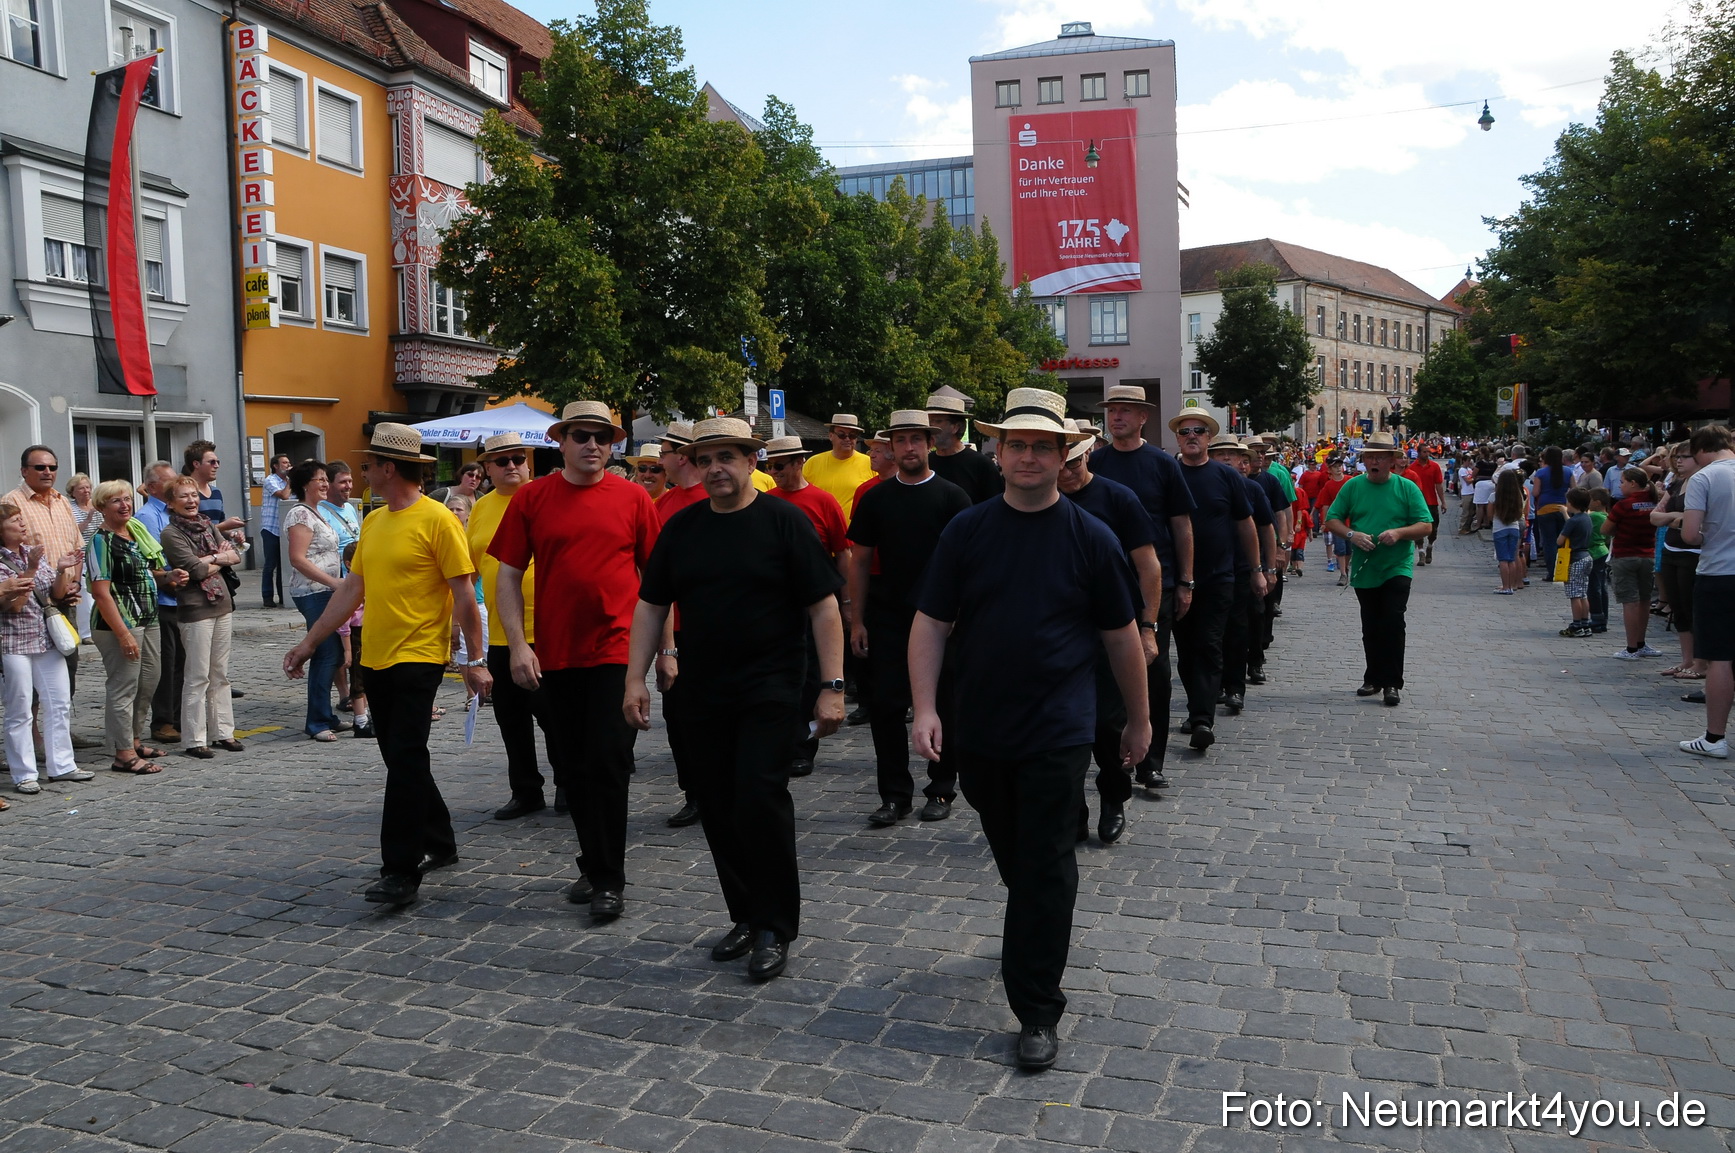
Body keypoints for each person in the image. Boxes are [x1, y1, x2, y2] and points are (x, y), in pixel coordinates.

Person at [907, 387, 1150, 1071]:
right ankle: (1031, 927)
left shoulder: (1090, 536)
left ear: (1063, 452)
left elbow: (1120, 634)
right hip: (979, 726)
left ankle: (1037, 1007)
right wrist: (925, 707)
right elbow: (929, 622)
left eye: (1042, 445)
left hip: (1059, 726)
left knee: (1044, 865)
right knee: (1015, 853)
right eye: (1017, 444)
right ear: (998, 450)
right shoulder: (967, 530)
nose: (1028, 455)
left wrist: (1138, 718)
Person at [626, 416, 846, 982]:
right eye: (707, 458)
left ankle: (775, 924)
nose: (717, 467)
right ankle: (745, 913)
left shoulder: (784, 523)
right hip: (703, 685)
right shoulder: (683, 527)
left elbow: (824, 607)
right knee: (718, 802)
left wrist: (832, 687)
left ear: (752, 462)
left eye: (729, 456)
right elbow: (651, 606)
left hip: (772, 684)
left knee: (758, 795)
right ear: (695, 467)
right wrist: (635, 679)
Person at [284, 423, 489, 907]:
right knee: (401, 758)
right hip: (375, 657)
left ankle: (400, 870)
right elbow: (353, 589)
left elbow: (463, 593)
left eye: (369, 464)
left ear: (389, 468)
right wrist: (310, 642)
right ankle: (440, 840)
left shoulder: (438, 520)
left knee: (405, 758)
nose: (362, 471)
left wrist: (474, 662)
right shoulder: (373, 521)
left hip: (419, 657)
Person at [491, 401, 659, 923]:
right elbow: (506, 576)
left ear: (613, 445)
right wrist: (519, 644)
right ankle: (593, 861)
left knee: (609, 762)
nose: (593, 446)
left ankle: (609, 878)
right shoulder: (533, 498)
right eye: (582, 436)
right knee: (575, 767)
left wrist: (667, 653)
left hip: (618, 652)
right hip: (555, 656)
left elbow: (658, 584)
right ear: (560, 441)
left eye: (602, 438)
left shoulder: (633, 498)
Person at [845, 412, 971, 825]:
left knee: (945, 705)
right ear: (891, 447)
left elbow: (968, 564)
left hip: (942, 616)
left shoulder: (953, 496)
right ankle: (894, 794)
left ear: (929, 443)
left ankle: (941, 788)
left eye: (917, 439)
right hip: (888, 615)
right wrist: (857, 619)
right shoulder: (876, 499)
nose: (909, 448)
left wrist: (960, 612)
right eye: (901, 441)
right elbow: (859, 561)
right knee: (885, 706)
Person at [1055, 421, 1159, 844]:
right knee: (1063, 732)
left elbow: (1148, 565)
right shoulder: (1037, 503)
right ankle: (1072, 810)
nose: (1066, 473)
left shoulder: (1118, 499)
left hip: (1111, 632)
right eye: (1060, 465)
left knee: (1107, 728)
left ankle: (1113, 797)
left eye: (1074, 463)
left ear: (1088, 455)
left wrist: (1148, 627)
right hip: (1059, 636)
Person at [1088, 385, 1195, 790]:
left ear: (1142, 417)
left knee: (1153, 670)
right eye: (1112, 411)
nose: (1117, 418)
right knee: (1106, 674)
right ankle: (1114, 755)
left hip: (1154, 581)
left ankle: (1151, 759)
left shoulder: (1163, 464)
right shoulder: (1094, 463)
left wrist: (1185, 580)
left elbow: (1181, 524)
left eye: (1126, 411)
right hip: (1102, 584)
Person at [468, 433, 560, 820]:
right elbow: (471, 568)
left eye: (518, 459)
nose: (511, 466)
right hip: (502, 633)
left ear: (529, 463)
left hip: (547, 629)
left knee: (555, 717)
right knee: (511, 718)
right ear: (486, 468)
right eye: (501, 461)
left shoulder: (547, 498)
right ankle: (525, 790)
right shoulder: (481, 508)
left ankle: (569, 786)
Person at [1167, 407, 1260, 752]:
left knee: (1208, 644)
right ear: (1177, 438)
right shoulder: (1170, 473)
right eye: (1185, 431)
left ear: (1208, 437)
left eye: (1199, 431)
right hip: (1176, 579)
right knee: (1187, 649)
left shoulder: (1227, 476)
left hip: (1220, 576)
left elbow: (1245, 524)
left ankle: (1203, 719)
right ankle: (1196, 708)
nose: (1192, 436)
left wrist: (1257, 569)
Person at [763, 435, 850, 779]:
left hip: (813, 597)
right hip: (775, 599)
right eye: (770, 465)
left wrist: (847, 602)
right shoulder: (765, 501)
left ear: (799, 463)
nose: (774, 471)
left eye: (780, 465)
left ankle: (803, 745)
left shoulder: (823, 501)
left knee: (810, 673)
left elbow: (842, 553)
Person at [1323, 433, 1433, 706]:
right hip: (1365, 566)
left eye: (1379, 457)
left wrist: (1398, 532)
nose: (1373, 461)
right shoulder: (1353, 486)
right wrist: (1352, 535)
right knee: (1371, 624)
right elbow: (1332, 519)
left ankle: (1392, 683)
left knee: (1393, 621)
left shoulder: (1407, 488)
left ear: (1392, 461)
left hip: (1397, 564)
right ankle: (1373, 677)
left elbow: (1425, 525)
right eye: (1369, 457)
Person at [88, 479, 187, 774]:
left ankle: (133, 739)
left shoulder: (135, 532)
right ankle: (123, 753)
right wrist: (123, 634)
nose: (125, 505)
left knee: (149, 682)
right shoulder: (101, 541)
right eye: (116, 501)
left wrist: (168, 577)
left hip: (148, 616)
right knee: (124, 687)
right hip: (119, 622)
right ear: (102, 507)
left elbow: (146, 572)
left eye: (127, 499)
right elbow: (101, 592)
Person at [0, 500, 90, 794]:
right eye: (15, 521)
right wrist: (31, 569)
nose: (22, 524)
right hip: (14, 641)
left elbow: (55, 594)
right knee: (20, 708)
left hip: (46, 639)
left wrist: (63, 571)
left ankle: (62, 765)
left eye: (21, 519)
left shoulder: (29, 552)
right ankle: (24, 773)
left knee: (59, 702)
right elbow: (13, 607)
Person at [8, 446, 92, 741]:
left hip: (64, 598)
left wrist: (75, 582)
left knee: (67, 666)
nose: (48, 473)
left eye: (52, 467)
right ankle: (32, 736)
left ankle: (60, 730)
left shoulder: (62, 502)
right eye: (40, 467)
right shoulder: (12, 502)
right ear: (24, 471)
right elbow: (9, 557)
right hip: (30, 604)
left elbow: (77, 547)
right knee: (29, 677)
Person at [158, 475, 243, 758]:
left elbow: (235, 556)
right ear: (170, 502)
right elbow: (194, 571)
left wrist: (211, 560)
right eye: (183, 496)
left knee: (220, 674)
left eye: (194, 495)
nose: (191, 500)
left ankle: (223, 733)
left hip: (221, 604)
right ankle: (195, 739)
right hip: (195, 609)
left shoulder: (207, 524)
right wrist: (215, 559)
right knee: (197, 676)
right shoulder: (171, 534)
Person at [650, 421, 705, 828]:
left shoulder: (713, 496)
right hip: (675, 628)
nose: (659, 461)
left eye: (663, 453)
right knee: (679, 715)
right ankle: (695, 792)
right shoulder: (661, 506)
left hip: (714, 624)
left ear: (680, 457)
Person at [1679, 425, 1735, 758]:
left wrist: (1706, 535)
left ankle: (1715, 737)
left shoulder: (1705, 478)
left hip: (1719, 572)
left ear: (1701, 450)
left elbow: (1690, 535)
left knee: (1720, 658)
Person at [1210, 437, 1276, 715]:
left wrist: (1268, 568)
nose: (1227, 459)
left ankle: (1235, 687)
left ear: (1242, 461)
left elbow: (1266, 528)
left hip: (1242, 568)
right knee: (1212, 635)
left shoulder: (1251, 488)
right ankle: (1215, 686)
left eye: (1232, 454)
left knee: (1239, 629)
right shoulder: (1198, 483)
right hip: (1208, 571)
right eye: (1220, 453)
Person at [284, 460, 347, 741]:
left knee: (331, 654)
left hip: (327, 591)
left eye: (325, 479)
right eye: (319, 479)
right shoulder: (300, 514)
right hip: (312, 591)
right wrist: (333, 581)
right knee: (327, 653)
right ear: (305, 484)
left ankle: (326, 716)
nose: (324, 484)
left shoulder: (318, 513)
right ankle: (317, 721)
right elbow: (297, 558)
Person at [320, 461, 372, 739]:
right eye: (343, 482)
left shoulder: (351, 508)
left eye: (350, 481)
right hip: (339, 579)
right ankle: (345, 694)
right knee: (343, 644)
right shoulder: (321, 511)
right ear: (328, 484)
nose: (349, 486)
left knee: (356, 642)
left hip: (357, 576)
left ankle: (356, 694)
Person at [133, 463, 184, 744]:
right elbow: (154, 560)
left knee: (182, 663)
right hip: (164, 598)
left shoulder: (174, 511)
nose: (174, 486)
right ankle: (163, 721)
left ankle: (177, 717)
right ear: (152, 487)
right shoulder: (148, 516)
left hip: (184, 597)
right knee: (166, 663)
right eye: (168, 482)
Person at [1653, 444, 1705, 677]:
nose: (1680, 461)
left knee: (1692, 606)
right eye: (1677, 457)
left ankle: (1700, 662)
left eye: (1686, 457)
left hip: (1693, 553)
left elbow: (1696, 520)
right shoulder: (1675, 484)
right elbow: (1655, 515)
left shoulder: (1703, 482)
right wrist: (1674, 517)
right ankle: (1687, 659)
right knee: (1678, 607)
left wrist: (1676, 519)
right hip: (1671, 549)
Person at [1602, 467, 1663, 660]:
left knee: (1629, 601)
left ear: (1633, 483)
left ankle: (1630, 648)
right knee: (1645, 600)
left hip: (1625, 555)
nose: (1620, 485)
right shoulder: (1654, 503)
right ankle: (1641, 643)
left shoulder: (1624, 505)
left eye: (1622, 482)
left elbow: (1606, 529)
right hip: (1648, 555)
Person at [926, 392, 1003, 504]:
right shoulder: (926, 463)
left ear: (955, 427)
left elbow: (995, 508)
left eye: (937, 421)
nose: (930, 426)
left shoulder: (982, 465)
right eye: (928, 421)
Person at [801, 415, 874, 521]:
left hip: (855, 533)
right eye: (841, 435)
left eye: (852, 435)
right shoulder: (813, 462)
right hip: (822, 532)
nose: (847, 439)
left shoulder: (870, 463)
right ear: (831, 436)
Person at [1555, 488, 1596, 637]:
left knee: (1574, 594)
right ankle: (1586, 623)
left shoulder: (1573, 521)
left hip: (1575, 558)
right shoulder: (1586, 517)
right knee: (1583, 593)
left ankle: (1576, 625)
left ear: (1572, 503)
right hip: (1586, 556)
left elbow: (1560, 540)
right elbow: (1573, 524)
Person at [183, 441, 246, 536]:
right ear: (196, 464)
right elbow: (188, 531)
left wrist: (233, 534)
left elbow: (220, 525)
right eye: (212, 462)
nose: (217, 466)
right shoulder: (185, 494)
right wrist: (223, 526)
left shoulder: (216, 492)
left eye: (218, 462)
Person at [1529, 446, 1572, 580]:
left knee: (1549, 542)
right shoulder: (1568, 471)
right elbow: (1574, 489)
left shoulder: (1541, 473)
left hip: (1545, 509)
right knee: (1562, 540)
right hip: (1563, 508)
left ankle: (1552, 572)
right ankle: (1564, 569)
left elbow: (1535, 492)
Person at [260, 454, 291, 607]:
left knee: (282, 564)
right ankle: (267, 596)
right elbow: (284, 496)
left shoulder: (288, 482)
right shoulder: (270, 480)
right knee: (270, 564)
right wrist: (290, 481)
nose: (288, 465)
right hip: (270, 527)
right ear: (275, 466)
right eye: (284, 463)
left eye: (288, 463)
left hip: (284, 528)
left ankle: (283, 596)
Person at [1404, 449, 1446, 565]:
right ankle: (1421, 552)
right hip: (1417, 503)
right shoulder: (1412, 468)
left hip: (1431, 501)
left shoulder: (1434, 466)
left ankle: (1430, 546)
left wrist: (1443, 501)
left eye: (1428, 452)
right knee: (1418, 527)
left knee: (1433, 528)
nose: (1427, 454)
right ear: (1419, 453)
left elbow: (1438, 485)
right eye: (1424, 452)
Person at [1490, 471, 1528, 594]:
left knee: (1503, 559)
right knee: (1512, 558)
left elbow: (1490, 515)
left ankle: (1505, 586)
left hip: (1499, 528)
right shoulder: (1519, 496)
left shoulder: (1494, 496)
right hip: (1514, 527)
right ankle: (1511, 585)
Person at [1586, 486, 1613, 633]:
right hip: (1603, 550)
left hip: (1594, 552)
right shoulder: (1606, 516)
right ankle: (1603, 618)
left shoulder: (1594, 516)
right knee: (1602, 587)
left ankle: (1596, 618)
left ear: (1597, 502)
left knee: (1594, 587)